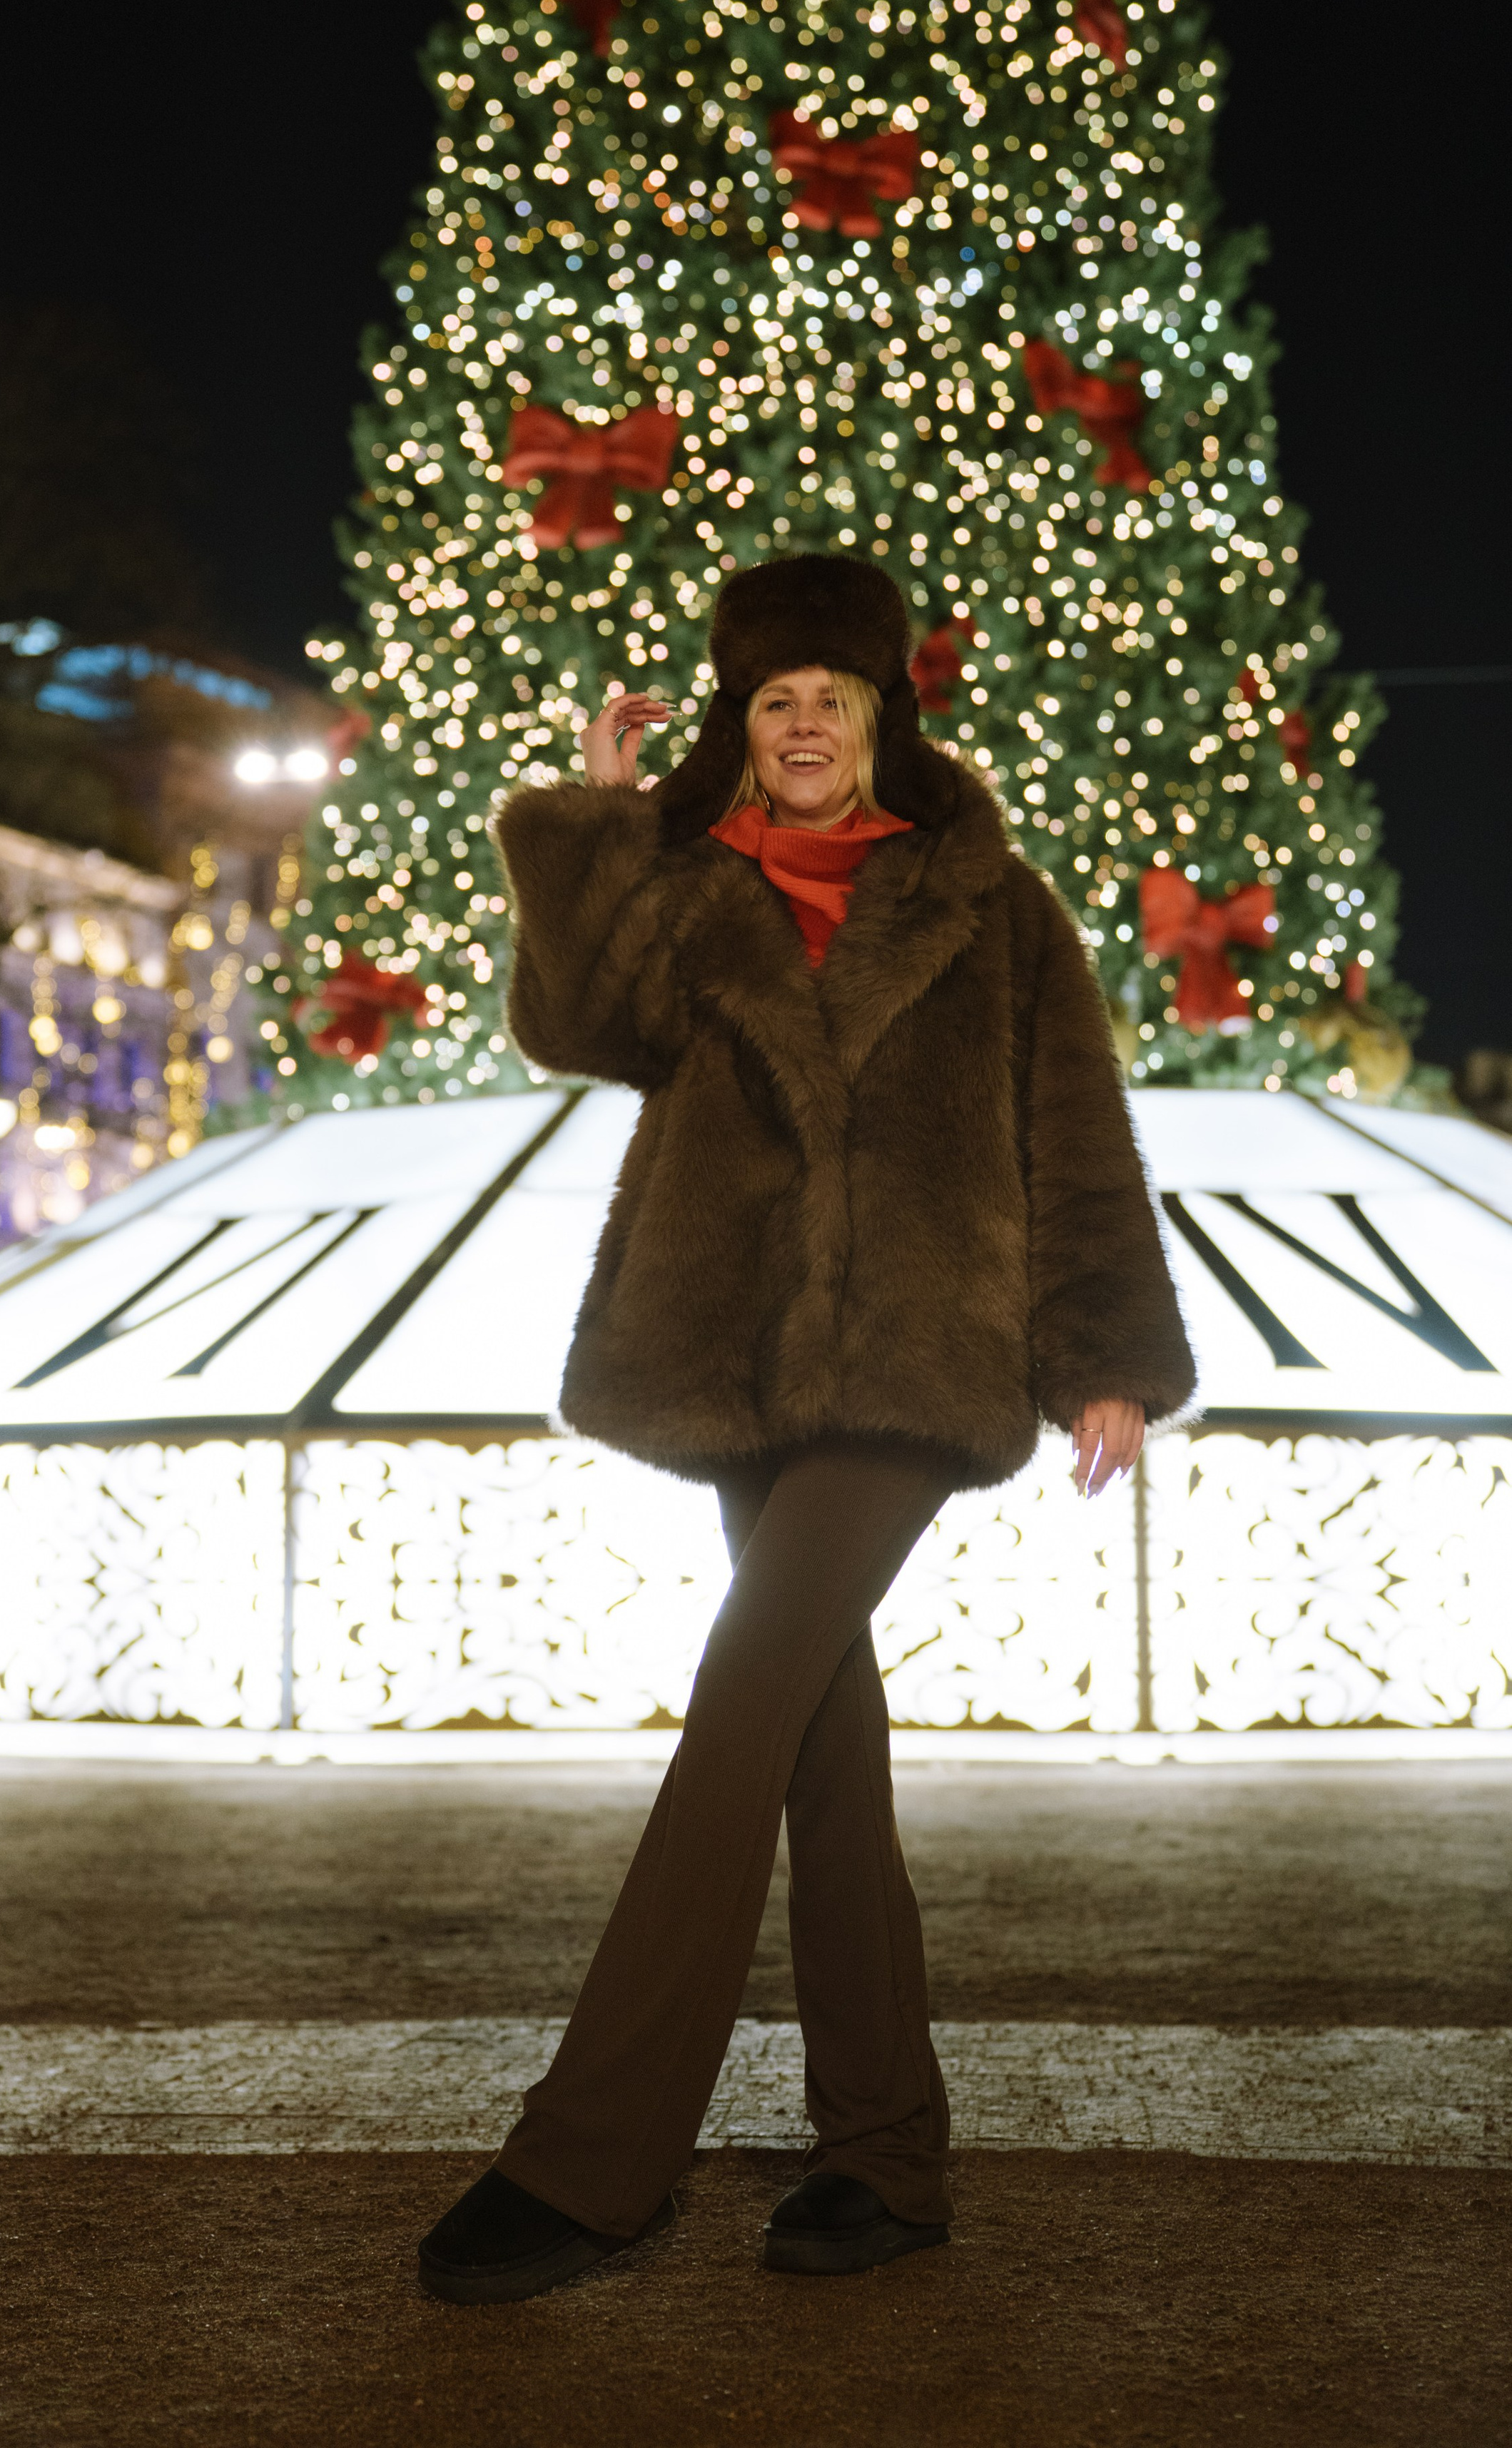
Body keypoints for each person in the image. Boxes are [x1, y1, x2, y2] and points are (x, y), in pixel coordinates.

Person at [417, 554, 1194, 2305]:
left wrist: (1101, 1347)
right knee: (824, 1759)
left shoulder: (989, 903)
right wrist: (599, 827)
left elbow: (1071, 1122)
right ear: (738, 728)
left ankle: (590, 2163)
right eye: (770, 703)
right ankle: (884, 2155)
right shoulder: (690, 888)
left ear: (874, 720)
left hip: (922, 1367)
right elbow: (572, 1025)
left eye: (827, 699)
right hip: (732, 1363)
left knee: (738, 1707)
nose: (800, 727)